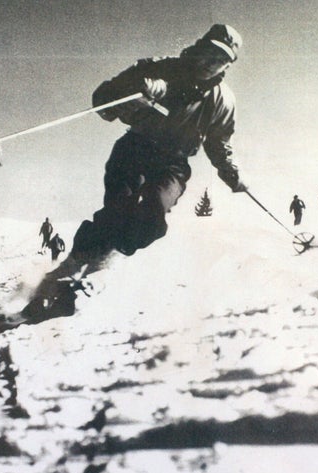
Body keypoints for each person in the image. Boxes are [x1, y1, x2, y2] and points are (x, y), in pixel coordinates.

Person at [34, 24, 246, 299]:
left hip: (174, 162)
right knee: (119, 207)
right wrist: (130, 94)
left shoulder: (223, 101)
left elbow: (219, 142)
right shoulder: (160, 68)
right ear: (198, 48)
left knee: (154, 213)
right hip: (135, 149)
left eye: (221, 60)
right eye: (210, 53)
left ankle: (103, 266)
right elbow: (103, 99)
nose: (212, 63)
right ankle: (75, 262)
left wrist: (231, 172)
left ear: (228, 65)